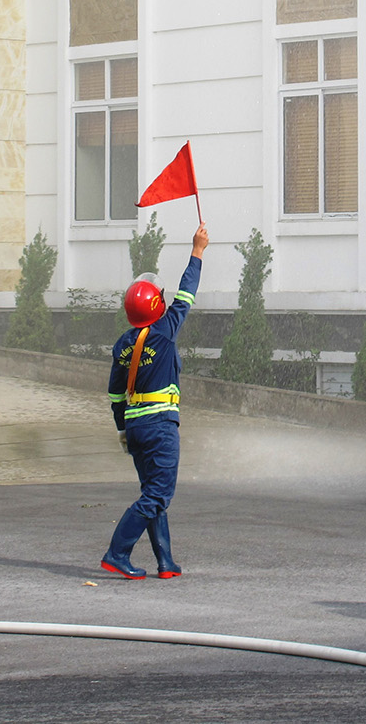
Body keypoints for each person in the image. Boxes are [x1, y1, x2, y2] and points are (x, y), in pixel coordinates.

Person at [101, 222, 208, 580]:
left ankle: (166, 562)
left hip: (135, 429)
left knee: (152, 492)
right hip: (160, 427)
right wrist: (197, 251)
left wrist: (122, 430)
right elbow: (186, 294)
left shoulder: (123, 344)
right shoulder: (163, 332)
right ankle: (117, 553)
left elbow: (115, 394)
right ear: (156, 306)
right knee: (158, 495)